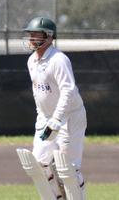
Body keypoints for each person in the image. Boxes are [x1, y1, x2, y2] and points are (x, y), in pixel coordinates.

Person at [17, 16, 87, 200]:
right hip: (46, 117)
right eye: (30, 35)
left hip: (70, 117)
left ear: (49, 37)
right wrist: (44, 119)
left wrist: (57, 120)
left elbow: (68, 91)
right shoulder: (32, 61)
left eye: (35, 35)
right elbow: (37, 93)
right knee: (39, 165)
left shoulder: (59, 60)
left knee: (67, 168)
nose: (31, 39)